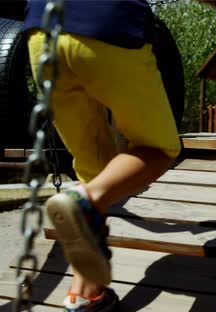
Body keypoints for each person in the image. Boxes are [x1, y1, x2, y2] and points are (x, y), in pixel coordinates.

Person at [23, 0, 181, 311]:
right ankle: (86, 198)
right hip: (107, 22)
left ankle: (85, 297)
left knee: (94, 168)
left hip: (41, 34)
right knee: (159, 149)